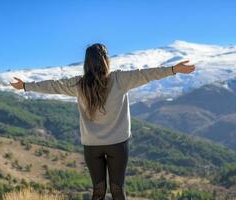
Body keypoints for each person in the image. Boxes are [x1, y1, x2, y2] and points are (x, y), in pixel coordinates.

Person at [10, 43, 195, 200]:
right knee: (117, 189)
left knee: (98, 190)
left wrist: (25, 86)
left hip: (92, 145)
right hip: (118, 144)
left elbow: (52, 85)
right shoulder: (120, 79)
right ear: (106, 60)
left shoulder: (78, 84)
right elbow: (146, 74)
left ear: (86, 63)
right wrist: (173, 69)